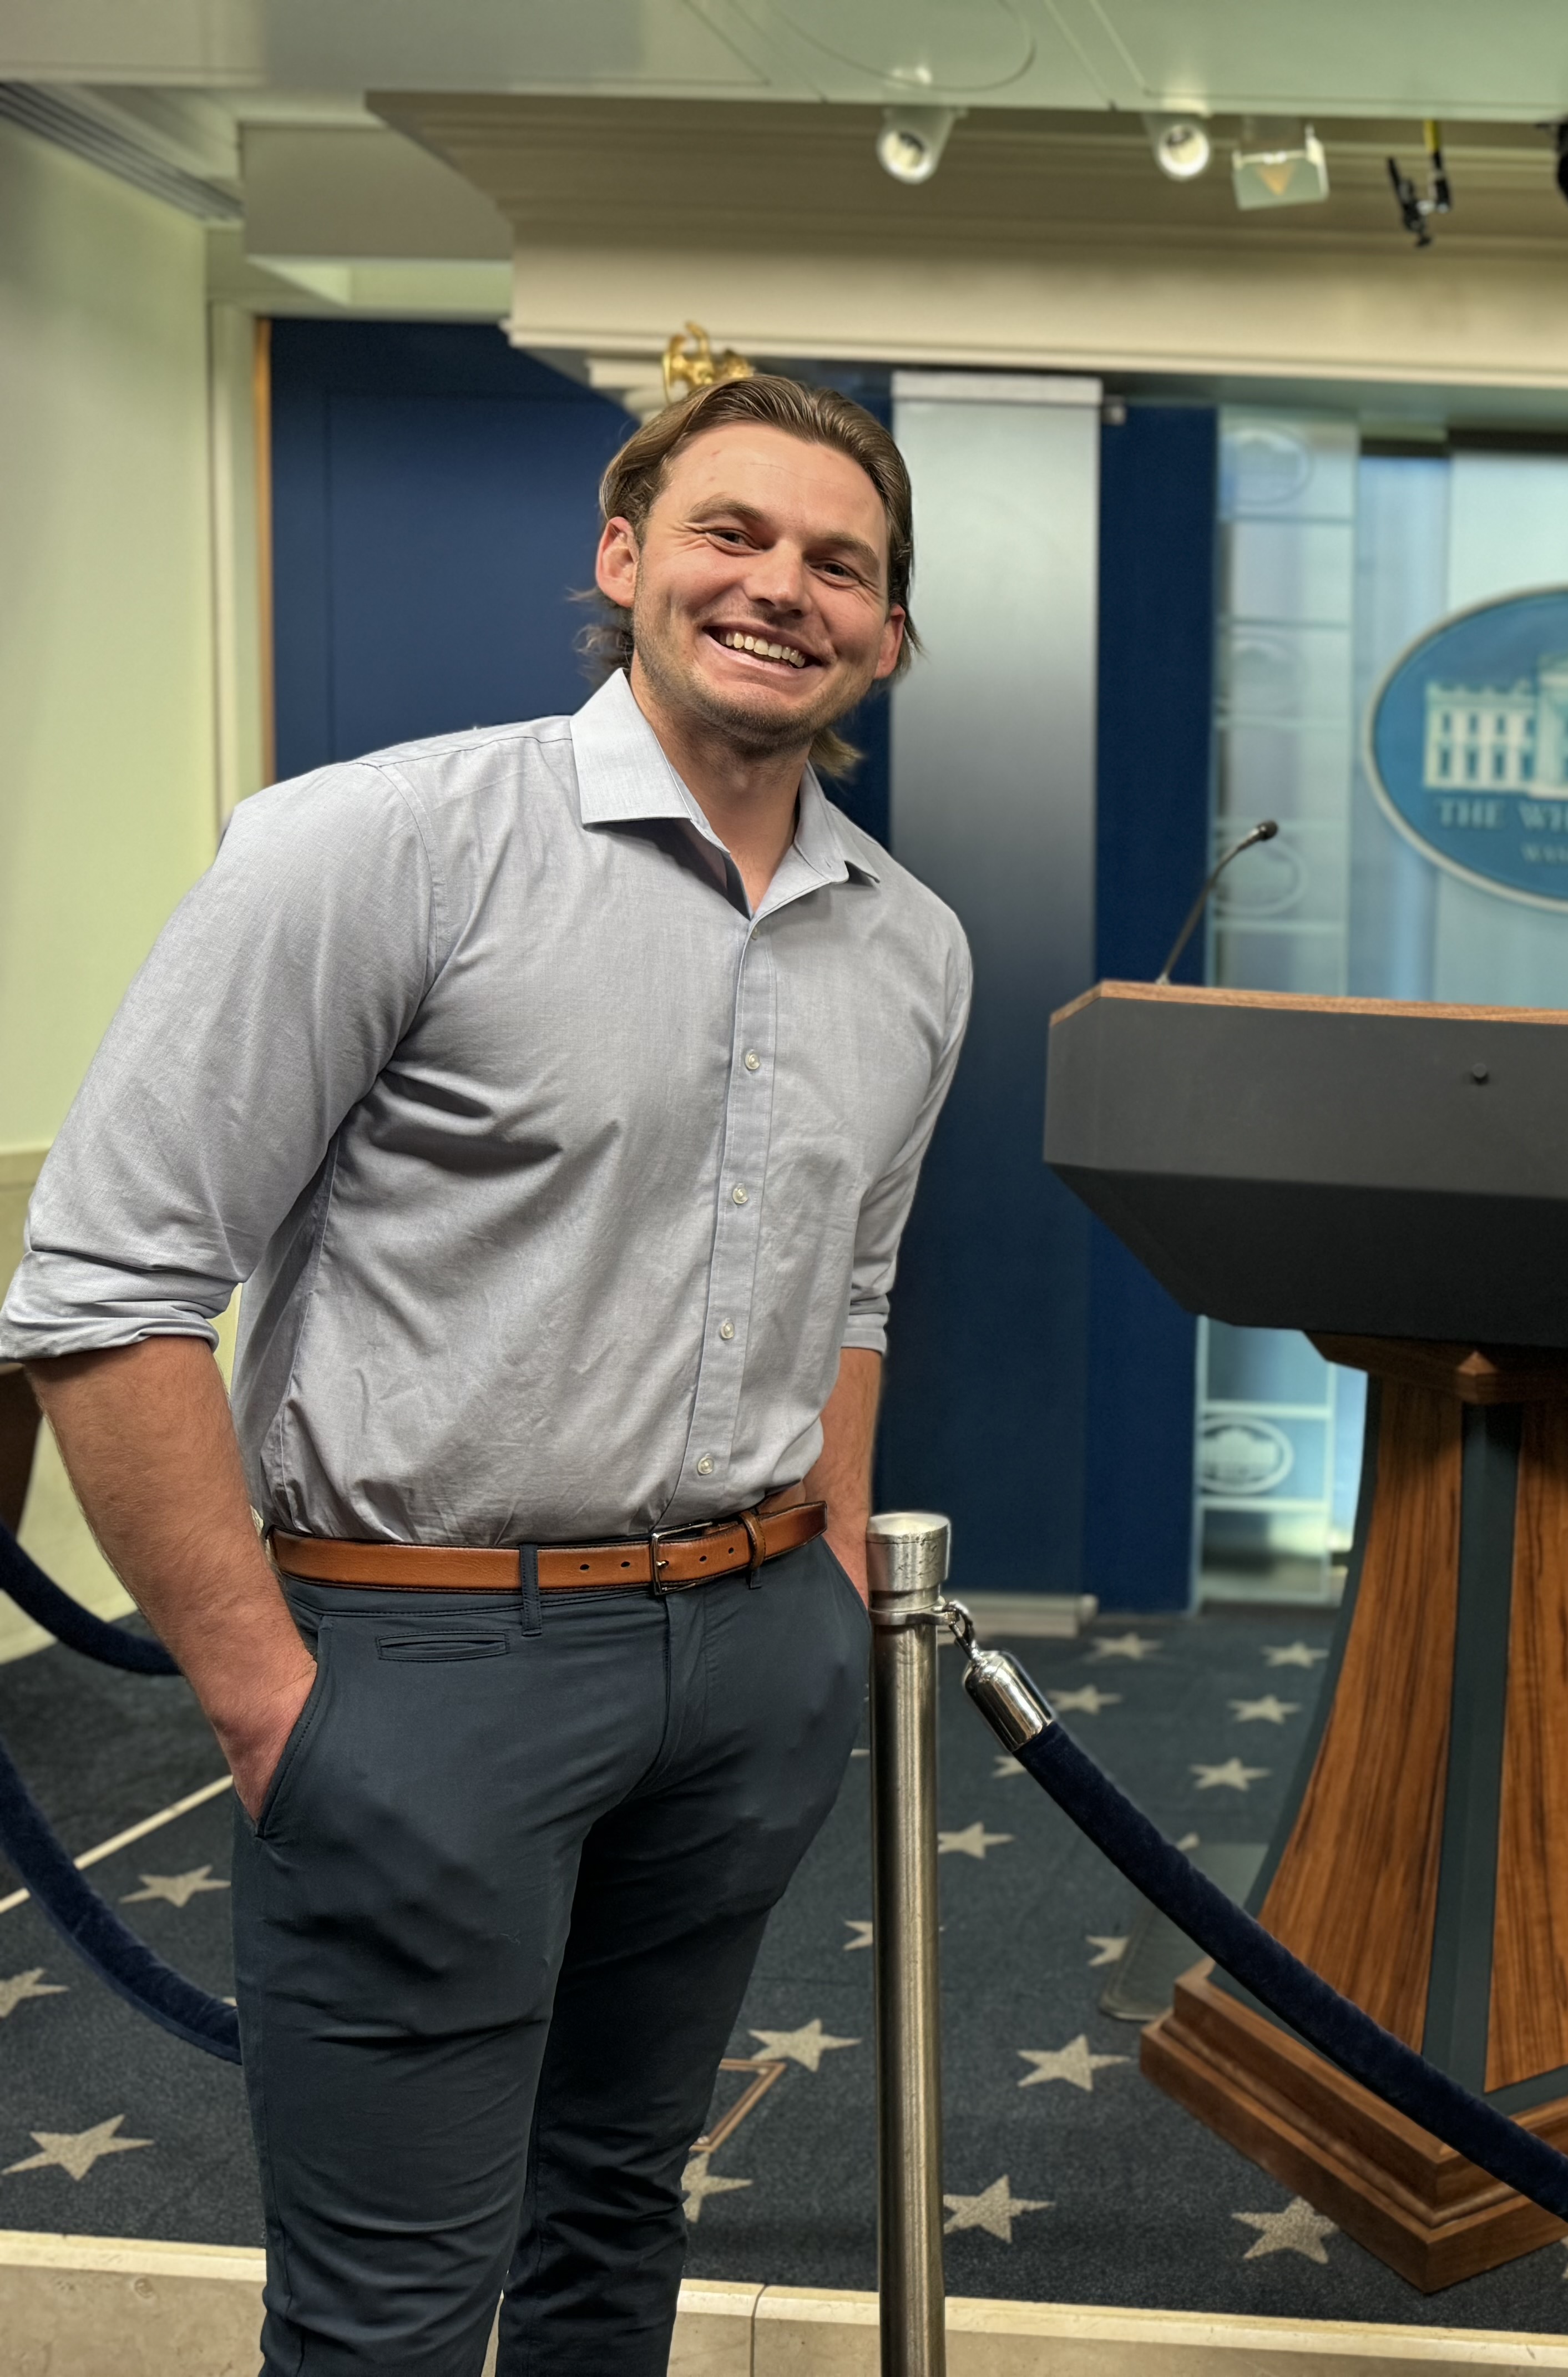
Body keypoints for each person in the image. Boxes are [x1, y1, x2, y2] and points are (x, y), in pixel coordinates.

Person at [2, 375, 970, 2376]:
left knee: (620, 2214)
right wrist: (274, 1706)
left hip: (745, 1670)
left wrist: (823, 1582)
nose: (780, 586)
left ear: (887, 632)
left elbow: (852, 1289)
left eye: (839, 562)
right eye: (732, 533)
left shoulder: (911, 947)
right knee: (392, 2318)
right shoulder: (377, 846)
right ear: (624, 561)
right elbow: (103, 1288)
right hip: (419, 1668)